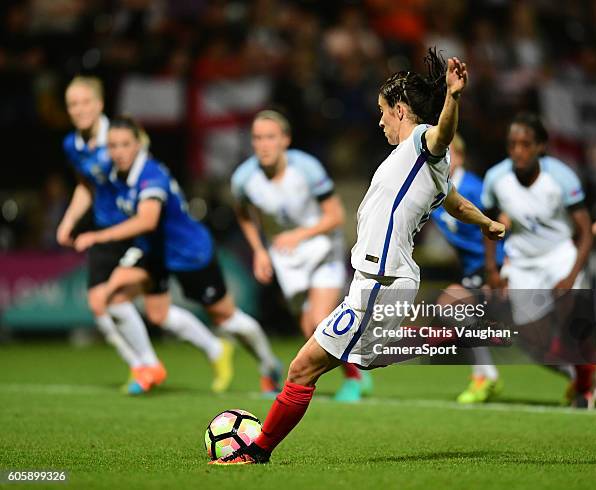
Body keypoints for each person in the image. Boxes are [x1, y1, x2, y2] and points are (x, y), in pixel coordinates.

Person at [211, 50, 505, 465]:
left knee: (301, 369)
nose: (380, 120)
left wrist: (453, 98)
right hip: (379, 283)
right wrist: (487, 222)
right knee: (342, 361)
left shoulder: (423, 142)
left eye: (383, 112)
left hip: (380, 285)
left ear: (400, 111)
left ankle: (256, 452)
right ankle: (453, 331)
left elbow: (442, 135)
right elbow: (454, 202)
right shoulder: (422, 166)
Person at [73, 116, 283, 394]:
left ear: (139, 145)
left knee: (226, 318)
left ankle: (268, 365)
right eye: (112, 145)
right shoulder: (114, 172)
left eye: (125, 144)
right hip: (154, 252)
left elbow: (147, 220)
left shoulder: (151, 176)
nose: (118, 151)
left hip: (189, 252)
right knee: (117, 299)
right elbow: (88, 184)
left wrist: (98, 236)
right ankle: (150, 366)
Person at [231, 110, 372, 402]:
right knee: (309, 327)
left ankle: (354, 379)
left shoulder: (307, 169)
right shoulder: (243, 179)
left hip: (321, 246)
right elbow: (243, 214)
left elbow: (336, 216)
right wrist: (259, 251)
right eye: (257, 138)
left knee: (322, 319)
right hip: (285, 255)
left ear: (285, 140)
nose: (264, 144)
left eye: (270, 137)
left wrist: (299, 235)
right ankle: (350, 366)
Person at [482, 112, 596, 409]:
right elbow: (488, 226)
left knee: (573, 321)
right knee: (532, 340)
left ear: (541, 147)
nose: (518, 151)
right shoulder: (496, 178)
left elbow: (585, 232)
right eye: (513, 145)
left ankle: (584, 388)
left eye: (525, 144)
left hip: (560, 255)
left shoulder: (561, 177)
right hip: (522, 262)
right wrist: (493, 270)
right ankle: (581, 373)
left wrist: (572, 275)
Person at [57, 76, 167, 394]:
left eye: (84, 102)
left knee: (144, 306)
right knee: (98, 303)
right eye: (72, 104)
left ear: (99, 104)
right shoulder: (72, 145)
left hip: (135, 229)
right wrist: (68, 222)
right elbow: (86, 185)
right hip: (103, 229)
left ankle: (153, 363)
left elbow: (147, 176)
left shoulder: (120, 137)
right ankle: (143, 367)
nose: (79, 110)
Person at [430, 133, 504, 404]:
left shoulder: (473, 188)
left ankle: (486, 374)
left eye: (449, 153)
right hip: (475, 269)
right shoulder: (436, 190)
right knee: (452, 307)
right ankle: (485, 375)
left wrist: (496, 269)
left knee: (532, 337)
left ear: (459, 157)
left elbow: (496, 226)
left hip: (496, 265)